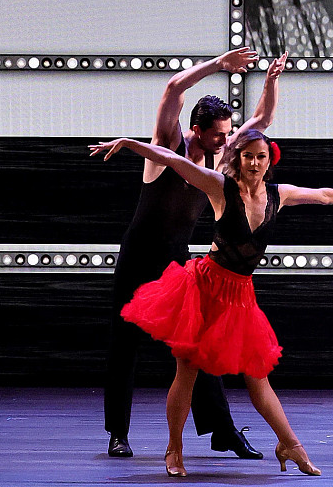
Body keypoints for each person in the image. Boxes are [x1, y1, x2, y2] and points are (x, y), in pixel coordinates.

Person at [91, 125, 333, 478]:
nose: (254, 162)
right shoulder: (221, 187)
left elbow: (322, 195)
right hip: (204, 290)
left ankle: (290, 445)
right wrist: (129, 144)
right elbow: (173, 160)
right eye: (248, 156)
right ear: (238, 158)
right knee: (186, 371)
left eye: (261, 157)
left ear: (270, 161)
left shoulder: (278, 195)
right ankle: (174, 449)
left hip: (240, 298)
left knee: (258, 376)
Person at [102, 48, 265, 461]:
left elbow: (260, 125)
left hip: (176, 256)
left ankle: (223, 431)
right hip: (140, 253)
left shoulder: (218, 157)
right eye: (219, 134)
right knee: (125, 343)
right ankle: (118, 434)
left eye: (228, 134)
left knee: (197, 341)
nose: (226, 141)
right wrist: (217, 65)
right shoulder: (169, 144)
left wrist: (271, 83)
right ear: (196, 129)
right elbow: (173, 87)